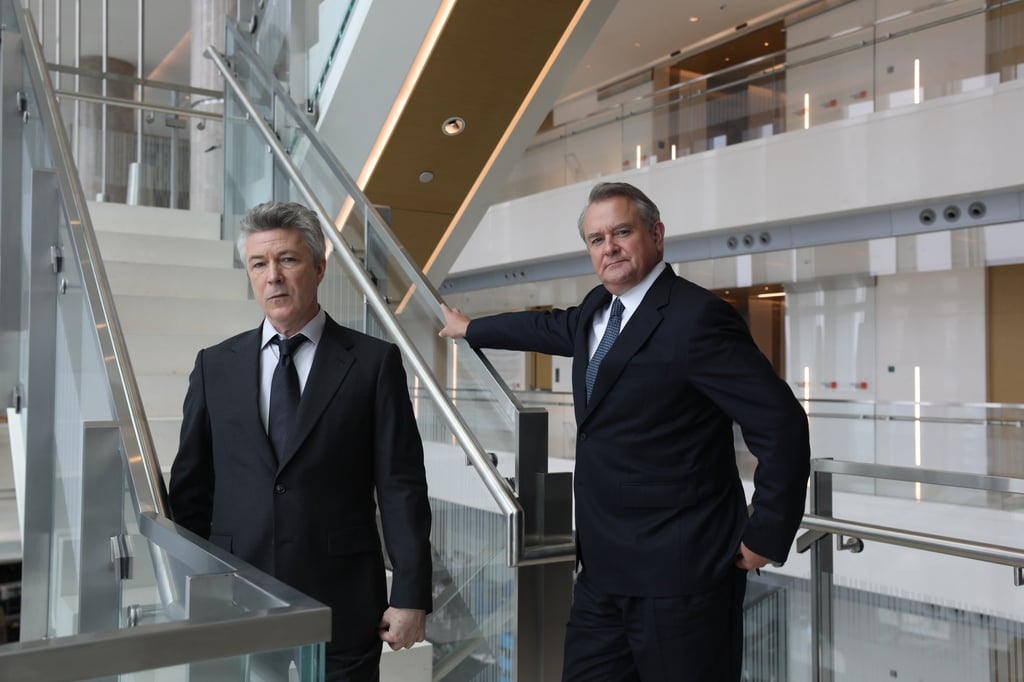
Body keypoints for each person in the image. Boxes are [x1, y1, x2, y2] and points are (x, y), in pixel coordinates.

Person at [439, 182, 810, 681]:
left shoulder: (697, 318)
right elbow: (550, 329)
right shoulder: (597, 309)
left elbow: (780, 423)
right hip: (601, 570)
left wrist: (767, 532)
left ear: (656, 235)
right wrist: (472, 328)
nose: (608, 247)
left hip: (682, 575)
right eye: (596, 239)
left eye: (621, 232)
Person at [169, 201, 433, 681]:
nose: (273, 276)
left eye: (287, 260)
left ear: (318, 266)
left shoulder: (373, 363)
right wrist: (185, 585)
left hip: (344, 599)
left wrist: (411, 594)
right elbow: (190, 487)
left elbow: (401, 486)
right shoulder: (214, 365)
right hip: (238, 595)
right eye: (258, 263)